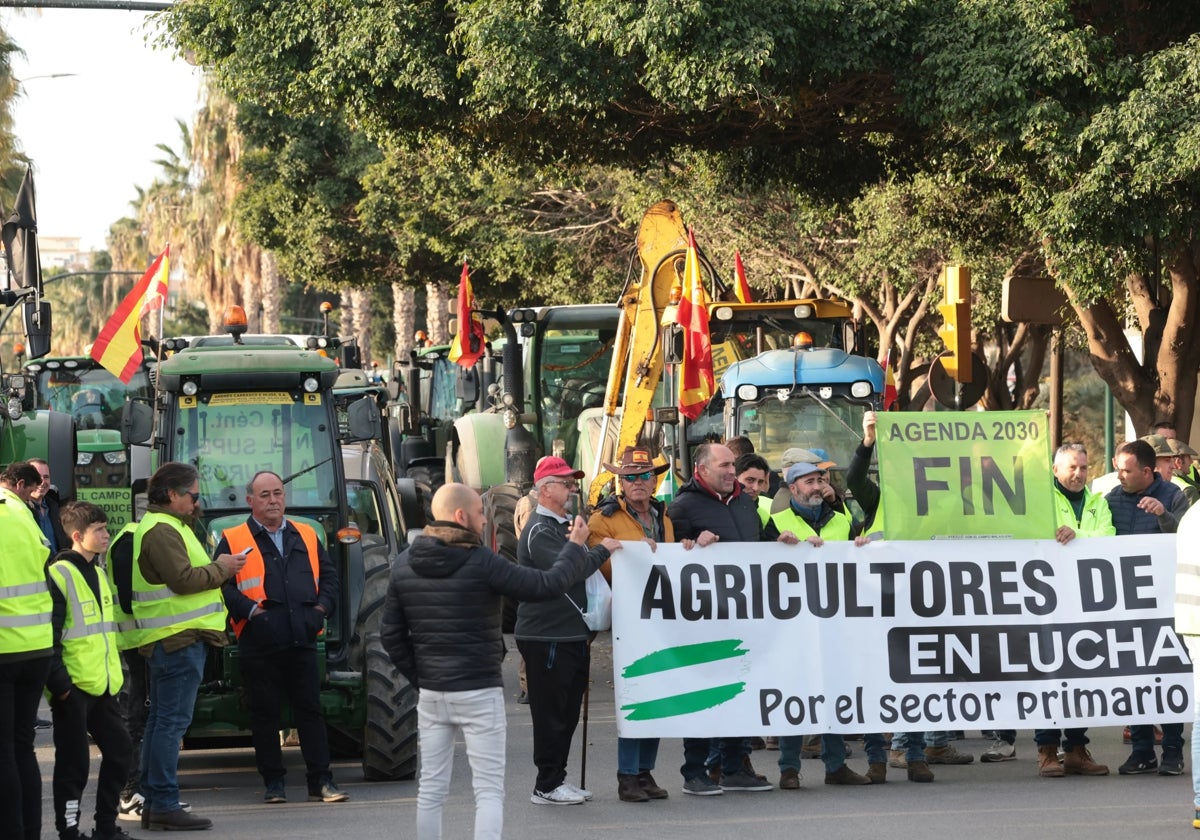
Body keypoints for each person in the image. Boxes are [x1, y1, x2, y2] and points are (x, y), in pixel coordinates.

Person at [381, 482, 617, 840]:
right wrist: (573, 545)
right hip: (478, 688)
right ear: (460, 516)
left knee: (431, 789)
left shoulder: (403, 564)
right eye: (479, 513)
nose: (484, 520)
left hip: (432, 693)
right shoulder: (480, 561)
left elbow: (391, 636)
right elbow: (547, 585)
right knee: (488, 790)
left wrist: (423, 678)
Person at [215, 471, 346, 804]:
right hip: (258, 641)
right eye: (264, 495)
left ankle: (321, 781)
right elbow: (222, 585)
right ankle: (274, 783)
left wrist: (319, 611)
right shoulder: (232, 538)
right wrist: (252, 612)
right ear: (250, 501)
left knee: (310, 712)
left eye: (277, 493)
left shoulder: (305, 534)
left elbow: (329, 578)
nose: (273, 500)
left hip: (302, 636)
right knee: (264, 714)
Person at [133, 462, 246, 831]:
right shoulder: (163, 530)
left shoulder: (168, 526)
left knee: (161, 722)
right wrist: (223, 568)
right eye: (193, 496)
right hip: (179, 640)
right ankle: (163, 801)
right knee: (170, 724)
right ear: (172, 495)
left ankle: (154, 800)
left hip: (175, 639)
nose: (197, 503)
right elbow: (183, 580)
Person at [763, 461, 881, 786]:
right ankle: (789, 769)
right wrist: (775, 546)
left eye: (819, 480)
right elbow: (755, 564)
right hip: (793, 626)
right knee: (794, 695)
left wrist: (861, 545)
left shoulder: (842, 520)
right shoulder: (775, 523)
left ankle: (836, 766)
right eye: (809, 481)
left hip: (835, 624)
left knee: (834, 693)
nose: (817, 486)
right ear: (793, 488)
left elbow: (859, 552)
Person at [588, 446, 695, 803]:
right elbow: (596, 567)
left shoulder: (663, 517)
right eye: (630, 476)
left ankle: (645, 772)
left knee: (657, 695)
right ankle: (627, 775)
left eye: (644, 475)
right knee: (636, 696)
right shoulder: (602, 519)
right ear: (620, 481)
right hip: (629, 620)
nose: (637, 482)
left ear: (654, 480)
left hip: (658, 619)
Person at [667, 442, 769, 795]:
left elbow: (759, 544)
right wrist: (691, 540)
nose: (731, 470)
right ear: (703, 469)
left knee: (740, 692)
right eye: (724, 465)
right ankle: (694, 771)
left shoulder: (744, 502)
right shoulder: (683, 506)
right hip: (704, 624)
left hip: (744, 620)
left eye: (732, 465)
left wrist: (784, 542)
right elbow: (668, 558)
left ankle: (733, 766)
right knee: (703, 696)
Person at [515, 456, 618, 806]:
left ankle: (557, 779)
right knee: (550, 714)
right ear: (545, 490)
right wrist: (599, 548)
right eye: (565, 482)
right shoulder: (540, 529)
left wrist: (585, 546)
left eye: (572, 481)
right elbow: (569, 570)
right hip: (547, 634)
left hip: (570, 632)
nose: (572, 487)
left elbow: (576, 562)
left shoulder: (561, 525)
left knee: (568, 711)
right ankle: (546, 784)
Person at [1018, 443, 1112, 777]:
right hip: (1045, 602)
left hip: (1084, 603)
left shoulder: (1098, 503)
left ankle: (1075, 748)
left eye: (1084, 468)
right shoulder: (1039, 500)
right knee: (1048, 674)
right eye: (1072, 467)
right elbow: (1034, 537)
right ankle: (1046, 749)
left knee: (1080, 676)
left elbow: (1108, 537)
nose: (1079, 474)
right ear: (1055, 470)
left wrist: (1078, 535)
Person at [46, 501, 133, 840]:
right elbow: (49, 637)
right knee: (74, 766)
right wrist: (62, 686)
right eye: (100, 530)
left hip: (104, 684)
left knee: (120, 752)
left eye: (106, 529)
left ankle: (106, 827)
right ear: (78, 536)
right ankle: (68, 832)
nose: (107, 535)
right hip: (73, 688)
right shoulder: (58, 575)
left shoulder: (98, 572)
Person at [1106, 439, 1189, 776]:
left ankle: (1172, 750)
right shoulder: (1111, 499)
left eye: (1126, 471)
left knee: (1165, 676)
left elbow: (1186, 537)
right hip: (1125, 605)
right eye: (1118, 469)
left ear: (1146, 470)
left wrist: (1164, 516)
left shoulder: (1173, 496)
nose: (1120, 476)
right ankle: (1141, 750)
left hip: (1163, 604)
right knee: (1131, 677)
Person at [0, 461, 53, 840]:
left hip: (4, 648)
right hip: (35, 647)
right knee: (22, 746)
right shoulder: (26, 518)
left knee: (3, 750)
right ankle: (30, 832)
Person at [29, 457, 68, 555]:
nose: (42, 482)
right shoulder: (18, 510)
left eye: (46, 477)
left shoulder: (57, 509)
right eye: (37, 476)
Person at [734, 452, 772, 526]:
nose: (756, 488)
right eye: (750, 480)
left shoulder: (770, 508)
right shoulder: (718, 509)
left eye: (760, 482)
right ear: (734, 478)